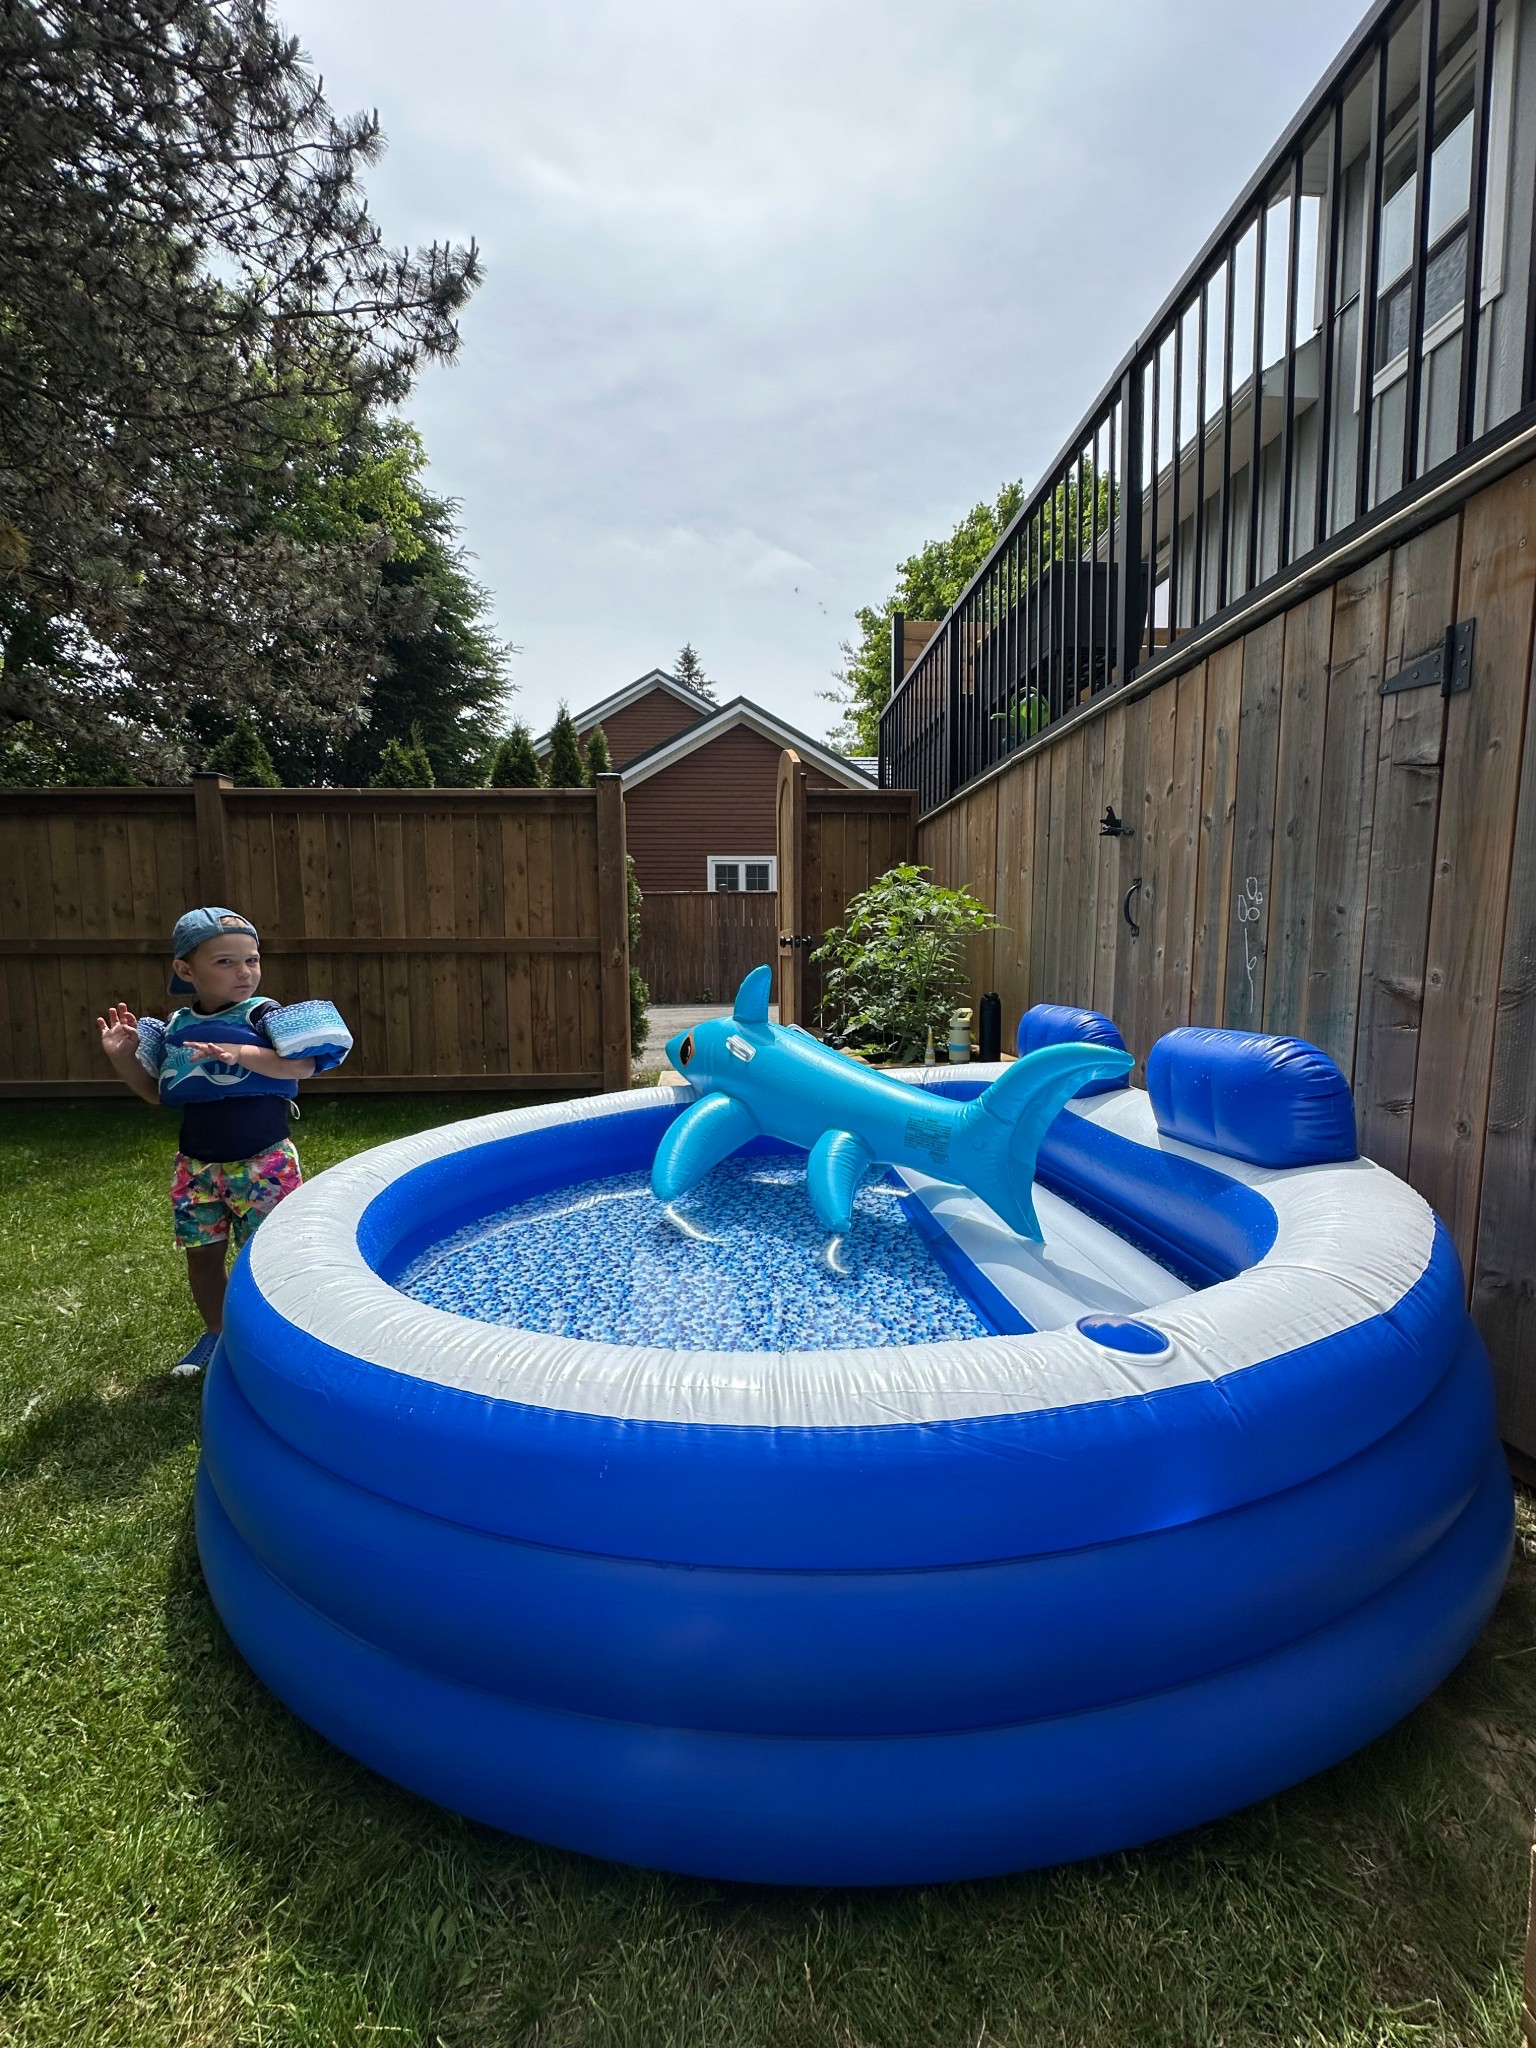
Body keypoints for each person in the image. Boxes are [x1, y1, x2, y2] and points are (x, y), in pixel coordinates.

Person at [97, 907, 352, 1376]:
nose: (244, 972)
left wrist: (238, 1053)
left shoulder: (264, 1015)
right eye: (225, 962)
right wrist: (123, 1059)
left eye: (252, 960)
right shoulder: (176, 1027)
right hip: (196, 1168)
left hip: (263, 1163)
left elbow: (301, 1066)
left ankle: (282, 1336)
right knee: (203, 1259)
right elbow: (157, 1093)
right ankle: (217, 1333)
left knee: (272, 1258)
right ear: (185, 970)